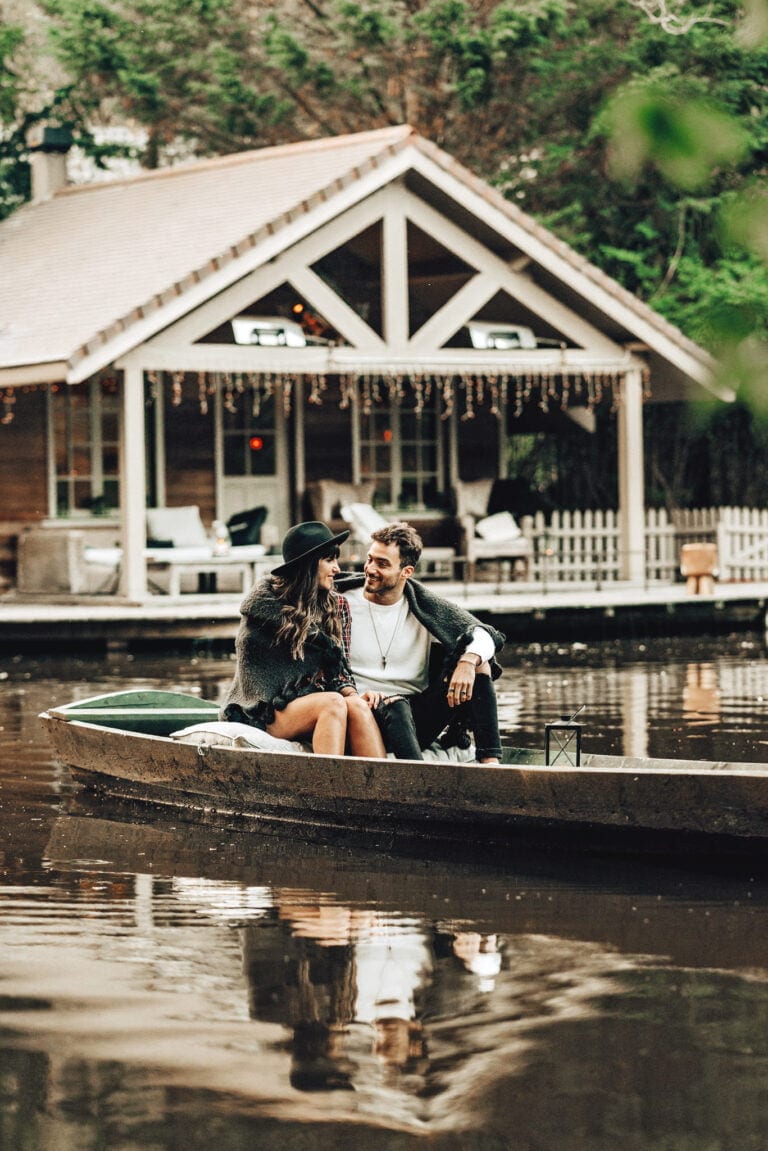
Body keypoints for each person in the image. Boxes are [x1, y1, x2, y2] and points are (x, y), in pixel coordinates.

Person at [337, 521, 505, 762]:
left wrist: (467, 662)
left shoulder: (424, 607)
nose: (370, 569)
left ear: (406, 572)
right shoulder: (341, 602)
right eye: (370, 559)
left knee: (479, 663)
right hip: (364, 714)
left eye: (382, 564)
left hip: (418, 719)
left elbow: (484, 634)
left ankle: (492, 764)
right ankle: (418, 779)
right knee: (395, 706)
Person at [222, 521, 386, 758]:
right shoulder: (265, 611)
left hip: (307, 704)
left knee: (356, 705)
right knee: (332, 703)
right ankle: (326, 791)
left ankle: (386, 790)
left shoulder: (332, 605)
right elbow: (256, 675)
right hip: (263, 709)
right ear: (308, 565)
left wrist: (352, 693)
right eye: (329, 560)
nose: (337, 569)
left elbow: (336, 668)